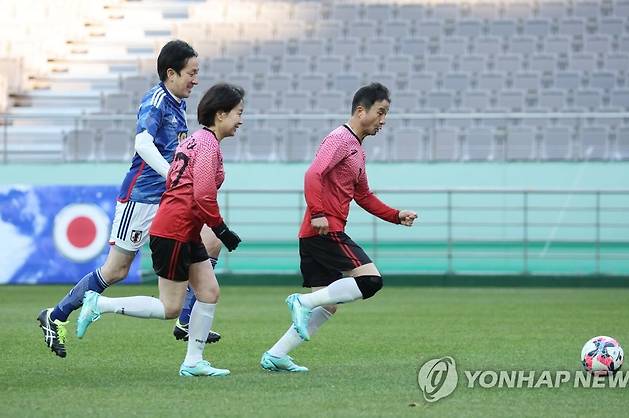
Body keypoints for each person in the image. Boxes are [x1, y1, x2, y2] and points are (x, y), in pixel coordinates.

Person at [37, 40, 222, 358]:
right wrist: (172, 174)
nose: (196, 79)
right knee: (116, 270)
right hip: (141, 199)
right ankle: (55, 315)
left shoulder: (178, 104)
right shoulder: (156, 100)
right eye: (191, 73)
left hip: (168, 200)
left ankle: (186, 319)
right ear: (171, 73)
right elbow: (143, 144)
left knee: (211, 241)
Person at [76, 83, 244, 377]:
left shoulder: (195, 140)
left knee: (208, 291)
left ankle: (193, 362)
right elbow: (203, 194)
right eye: (238, 113)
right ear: (220, 114)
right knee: (170, 307)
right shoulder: (206, 145)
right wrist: (221, 229)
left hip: (183, 228)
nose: (241, 120)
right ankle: (100, 304)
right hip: (175, 230)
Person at [260, 83, 418, 372]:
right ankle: (301, 301)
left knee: (328, 305)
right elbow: (313, 174)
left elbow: (364, 195)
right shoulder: (340, 139)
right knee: (371, 281)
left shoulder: (357, 149)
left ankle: (276, 354)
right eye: (380, 112)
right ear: (361, 111)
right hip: (324, 229)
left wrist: (396, 215)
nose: (384, 120)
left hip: (314, 233)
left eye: (386, 114)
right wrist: (319, 213)